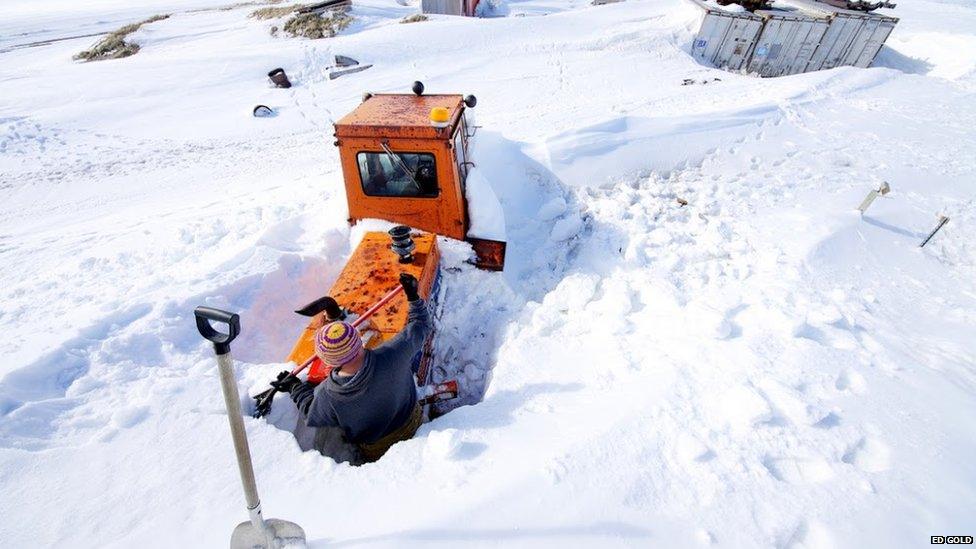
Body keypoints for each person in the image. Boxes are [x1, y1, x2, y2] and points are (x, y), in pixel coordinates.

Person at [271, 273, 431, 463]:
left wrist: (294, 387)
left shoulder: (328, 395)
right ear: (359, 342)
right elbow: (420, 325)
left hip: (375, 449)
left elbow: (310, 411)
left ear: (328, 362)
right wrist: (412, 295)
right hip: (414, 427)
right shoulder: (393, 355)